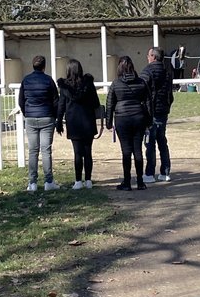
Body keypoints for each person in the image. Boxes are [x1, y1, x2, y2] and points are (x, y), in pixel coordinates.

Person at [55, 59, 101, 190]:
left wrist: (59, 122)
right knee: (88, 152)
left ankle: (78, 181)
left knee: (77, 153)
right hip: (87, 121)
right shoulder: (88, 84)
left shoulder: (64, 87)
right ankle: (88, 180)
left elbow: (61, 106)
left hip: (73, 122)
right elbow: (96, 103)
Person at [106, 55, 150, 191]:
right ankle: (140, 181)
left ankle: (127, 182)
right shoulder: (141, 82)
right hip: (138, 117)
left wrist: (108, 122)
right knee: (138, 150)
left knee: (126, 151)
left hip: (122, 118)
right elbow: (148, 102)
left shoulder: (116, 84)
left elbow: (110, 104)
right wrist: (149, 120)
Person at [19, 55, 59, 191]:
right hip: (47, 117)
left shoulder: (26, 80)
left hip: (30, 118)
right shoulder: (48, 80)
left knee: (33, 151)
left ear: (32, 65)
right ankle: (49, 181)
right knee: (46, 150)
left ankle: (32, 182)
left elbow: (21, 101)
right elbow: (55, 100)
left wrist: (27, 113)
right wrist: (54, 116)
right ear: (44, 66)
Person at [141, 46, 174, 184]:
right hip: (163, 111)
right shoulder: (168, 72)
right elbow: (170, 94)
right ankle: (165, 171)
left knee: (150, 143)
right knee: (162, 141)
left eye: (148, 55)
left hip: (151, 112)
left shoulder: (147, 71)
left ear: (153, 57)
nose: (147, 58)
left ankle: (149, 173)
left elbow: (142, 92)